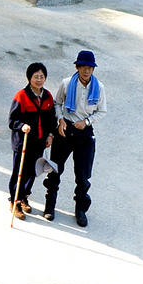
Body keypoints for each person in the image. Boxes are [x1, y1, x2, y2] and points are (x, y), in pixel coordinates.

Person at [43, 49, 106, 227]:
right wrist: (60, 120)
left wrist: (86, 122)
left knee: (83, 175)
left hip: (84, 132)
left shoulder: (99, 87)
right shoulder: (66, 83)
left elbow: (102, 111)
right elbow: (57, 104)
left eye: (90, 68)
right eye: (83, 67)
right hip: (65, 129)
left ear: (93, 69)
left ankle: (80, 209)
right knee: (55, 169)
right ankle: (50, 205)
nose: (86, 70)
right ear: (77, 67)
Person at [8, 61, 56, 219]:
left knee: (33, 172)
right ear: (29, 78)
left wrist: (50, 135)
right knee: (20, 173)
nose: (39, 80)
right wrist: (22, 126)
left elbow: (51, 119)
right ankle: (14, 201)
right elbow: (12, 121)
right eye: (36, 77)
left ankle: (24, 197)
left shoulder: (48, 97)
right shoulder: (21, 96)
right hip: (23, 143)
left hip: (39, 142)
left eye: (42, 77)